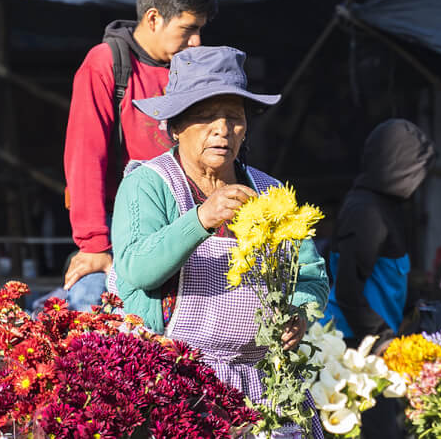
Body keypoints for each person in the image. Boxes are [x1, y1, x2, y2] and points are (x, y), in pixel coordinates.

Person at [110, 45, 329, 419]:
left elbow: (311, 275)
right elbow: (136, 269)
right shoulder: (148, 184)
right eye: (206, 116)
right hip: (171, 381)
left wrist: (299, 311)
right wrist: (201, 219)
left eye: (234, 117)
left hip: (258, 385)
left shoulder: (271, 192)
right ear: (175, 126)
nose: (222, 130)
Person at [61, 0, 217, 310]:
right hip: (128, 233)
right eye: (188, 29)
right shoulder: (107, 64)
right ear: (152, 19)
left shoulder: (193, 67)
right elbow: (85, 158)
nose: (197, 42)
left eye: (201, 30)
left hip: (191, 229)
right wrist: (94, 245)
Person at [325, 119, 436, 348]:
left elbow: (385, 278)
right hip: (350, 344)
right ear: (400, 166)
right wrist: (381, 340)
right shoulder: (366, 212)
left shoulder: (383, 206)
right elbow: (348, 291)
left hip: (366, 339)